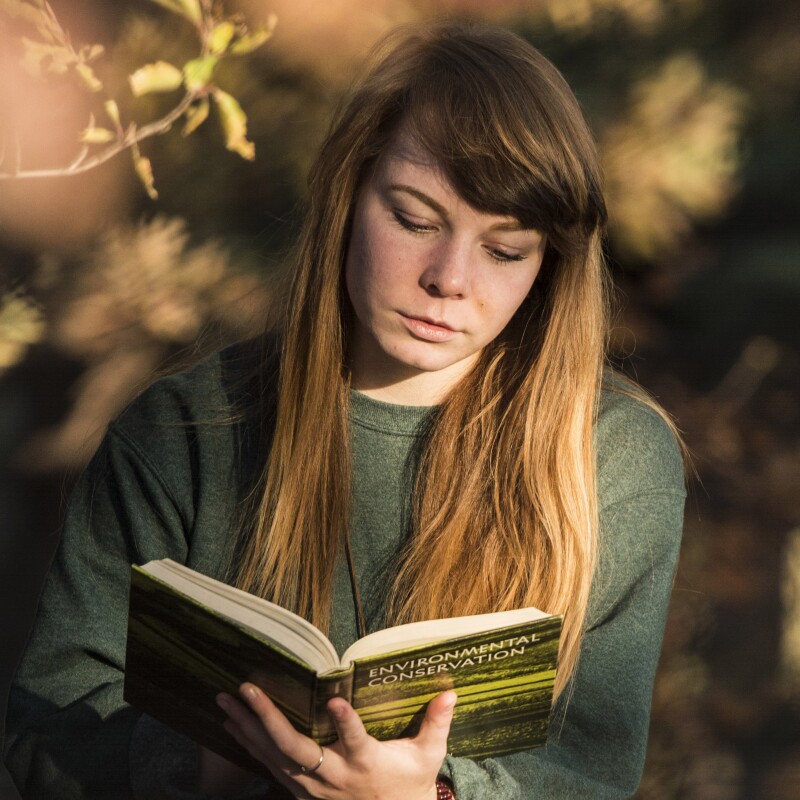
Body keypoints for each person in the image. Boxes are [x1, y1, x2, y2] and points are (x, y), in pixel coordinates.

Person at [4, 20, 686, 800]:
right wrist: (232, 760)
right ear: (348, 195)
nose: (450, 278)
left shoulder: (612, 459)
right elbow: (44, 739)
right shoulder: (183, 432)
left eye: (505, 250)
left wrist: (428, 796)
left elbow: (592, 777)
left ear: (550, 266)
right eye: (415, 218)